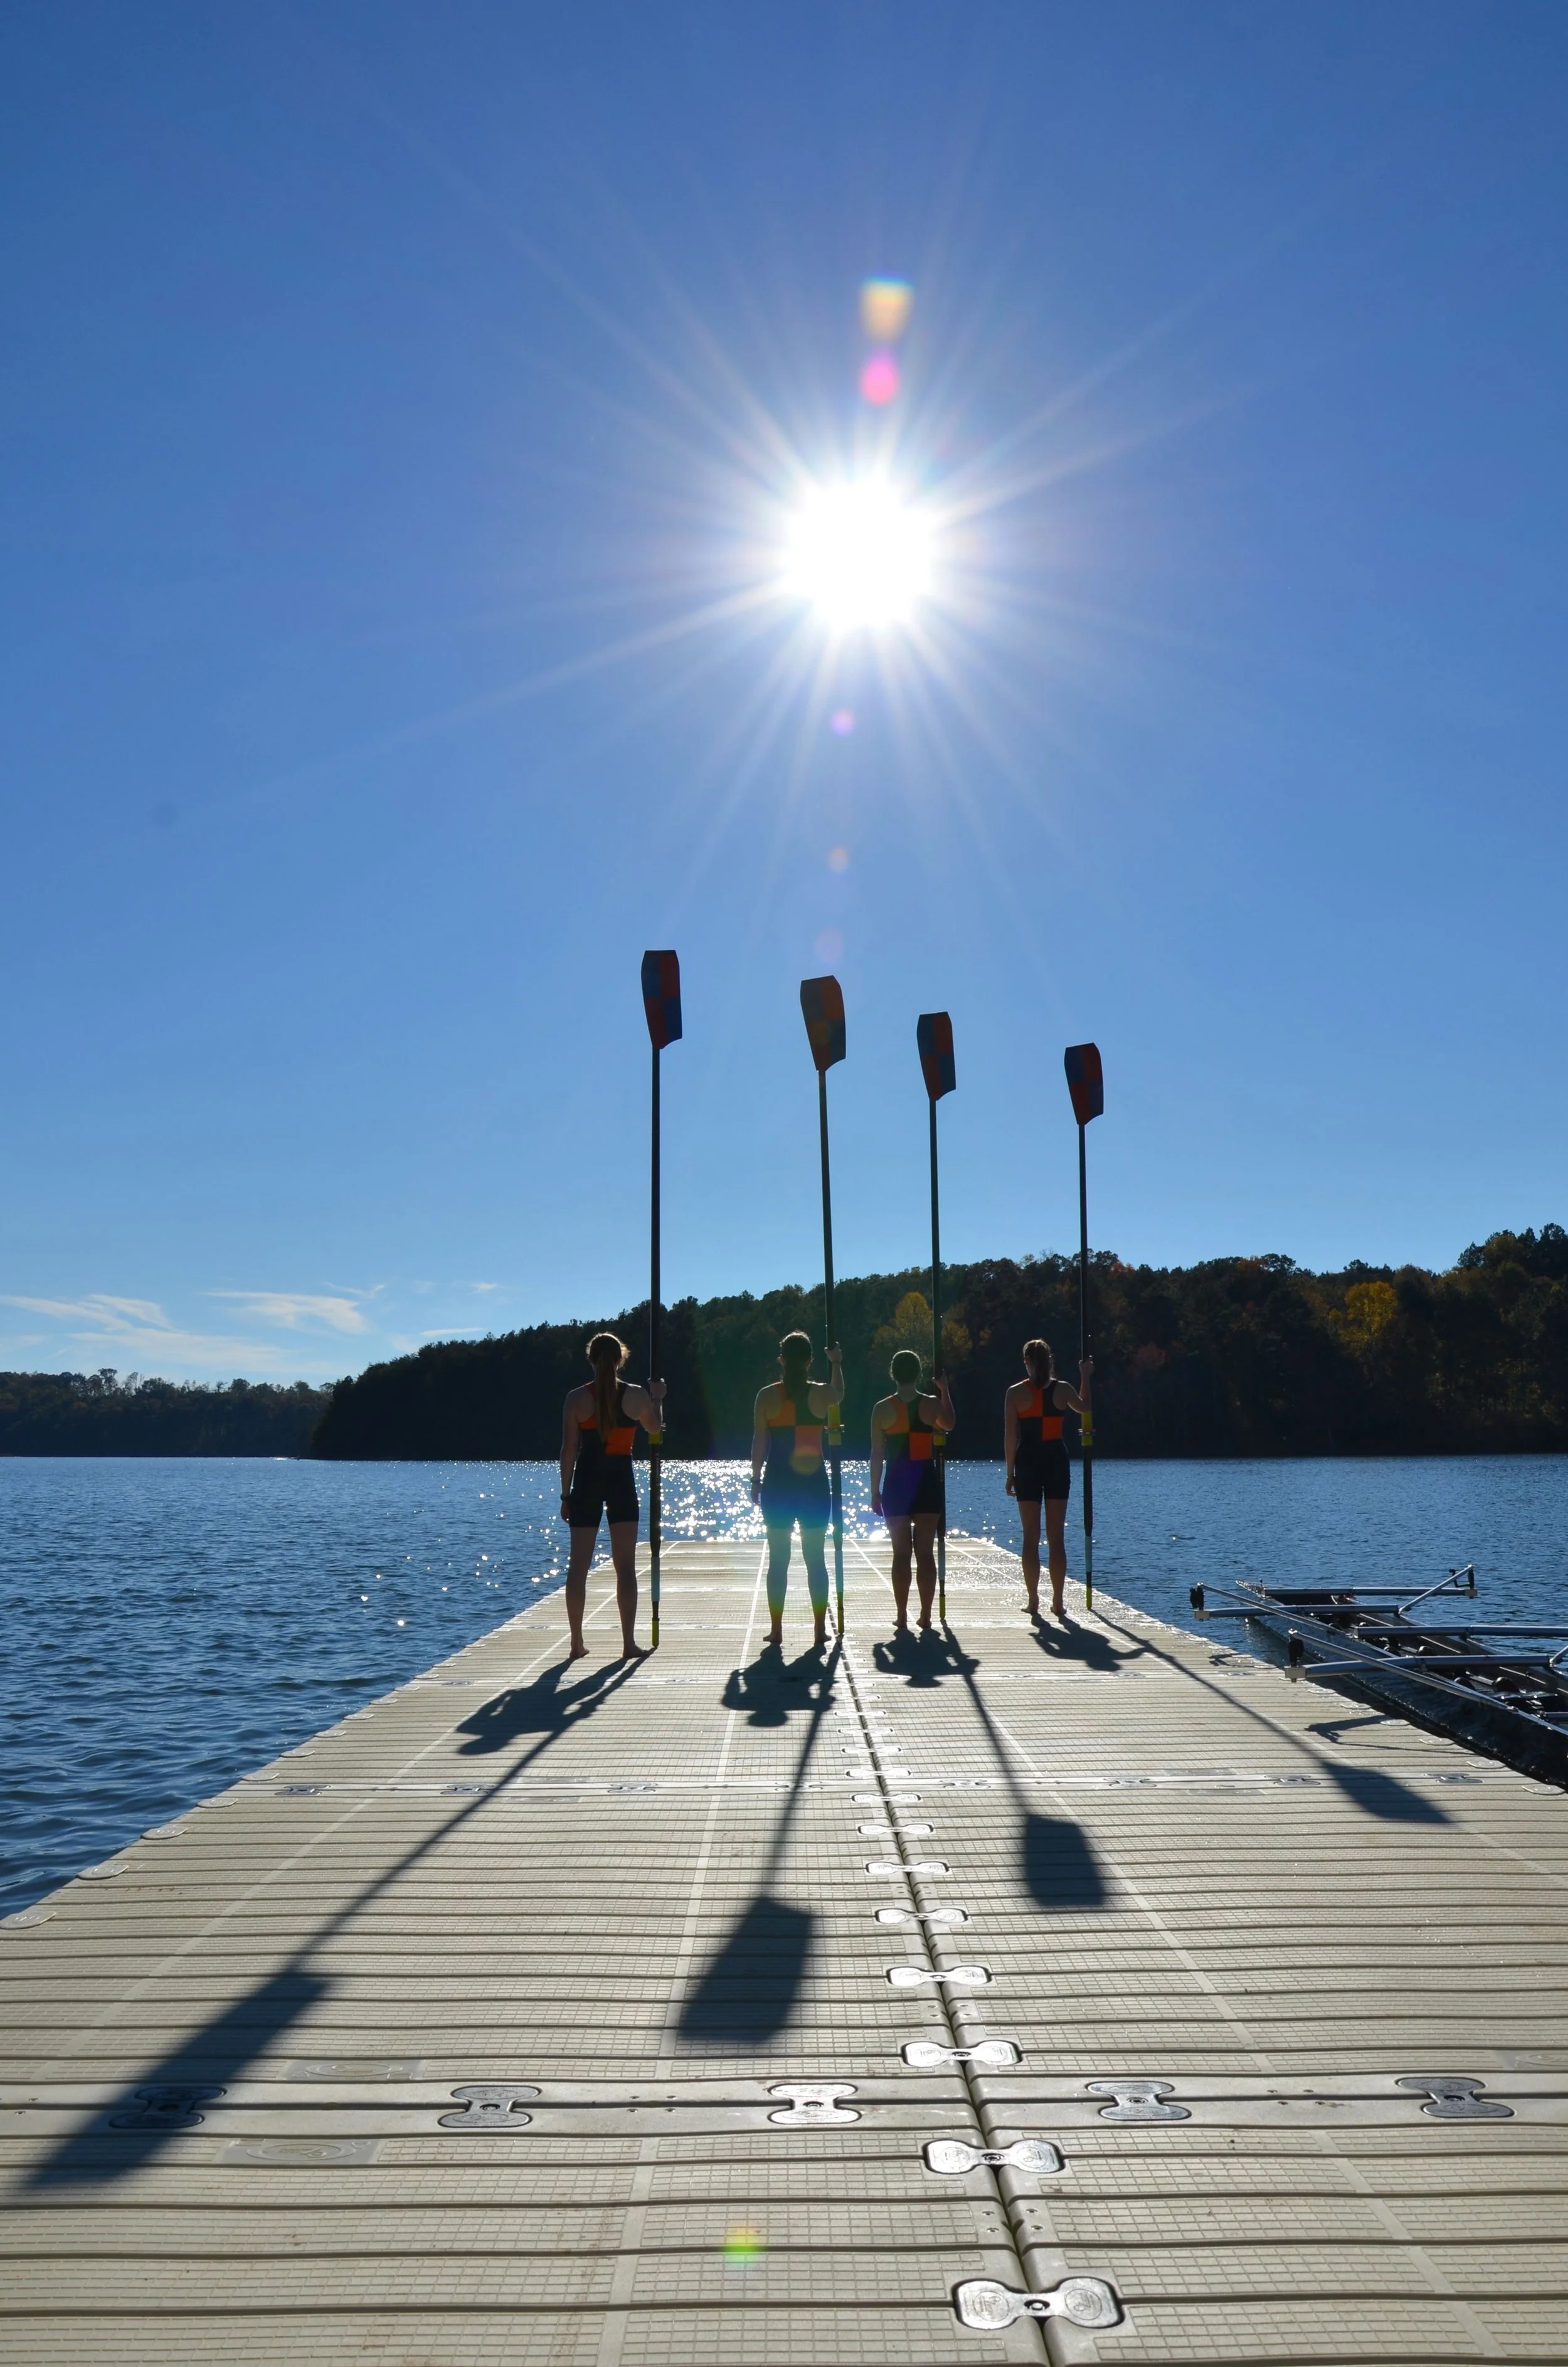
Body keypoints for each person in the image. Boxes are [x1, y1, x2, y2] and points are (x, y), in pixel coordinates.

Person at [559, 1332, 666, 1660]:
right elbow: (656, 1430)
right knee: (625, 1567)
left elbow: (568, 1452)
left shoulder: (576, 1399)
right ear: (620, 1360)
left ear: (591, 1360)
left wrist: (566, 1495)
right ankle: (628, 1644)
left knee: (578, 1567)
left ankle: (577, 1643)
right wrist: (658, 1399)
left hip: (588, 1480)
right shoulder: (635, 1396)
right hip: (620, 1479)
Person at [750, 1330, 844, 1652]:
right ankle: (819, 1629)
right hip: (813, 1483)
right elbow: (839, 1394)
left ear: (781, 1360)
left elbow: (759, 1442)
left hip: (778, 1482)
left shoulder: (766, 1396)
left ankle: (776, 1630)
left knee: (778, 1561)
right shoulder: (821, 1395)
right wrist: (837, 1363)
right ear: (808, 1361)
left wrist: (755, 1479)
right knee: (815, 1560)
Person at [870, 1349, 956, 1634]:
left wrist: (874, 1492)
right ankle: (926, 1615)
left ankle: (902, 1614)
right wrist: (944, 1391)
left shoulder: (881, 1409)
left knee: (901, 1553)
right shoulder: (930, 1404)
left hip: (896, 1484)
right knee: (925, 1552)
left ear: (892, 1374)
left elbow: (877, 1455)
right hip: (925, 1482)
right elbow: (950, 1424)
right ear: (919, 1374)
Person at [1004, 1338, 1092, 1619]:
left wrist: (1009, 1474)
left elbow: (1011, 1437)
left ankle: (1033, 1601)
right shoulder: (1063, 1389)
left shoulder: (1015, 1393)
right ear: (1049, 1361)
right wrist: (1085, 1376)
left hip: (1028, 1462)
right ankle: (1058, 1601)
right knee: (1057, 1537)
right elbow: (1085, 1407)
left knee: (1030, 1536)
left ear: (1027, 1362)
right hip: (1055, 1461)